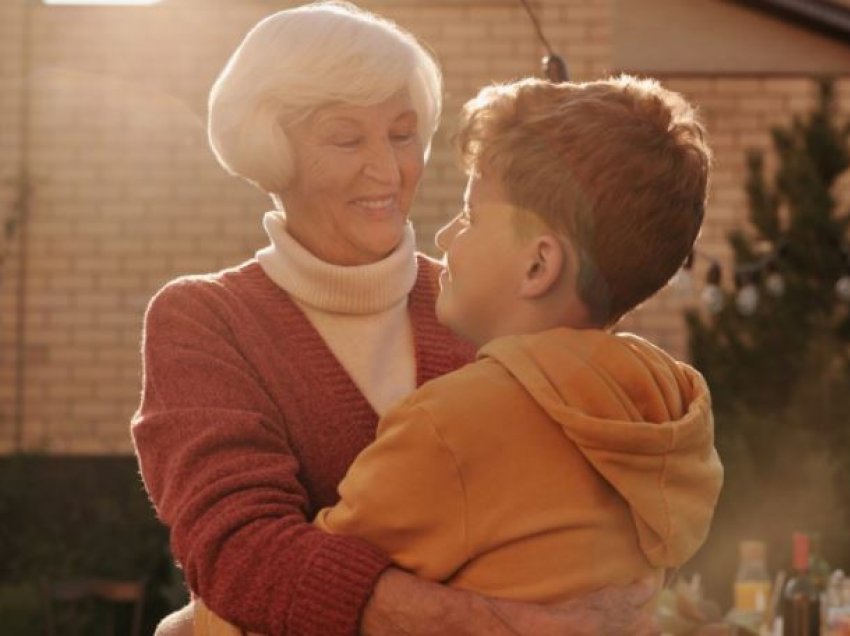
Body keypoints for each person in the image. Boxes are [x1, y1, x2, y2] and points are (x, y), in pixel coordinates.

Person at [131, 2, 658, 635]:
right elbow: (239, 549)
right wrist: (490, 625)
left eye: (404, 134)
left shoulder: (494, 302)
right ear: (273, 146)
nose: (387, 169)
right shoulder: (203, 322)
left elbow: (597, 491)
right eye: (347, 137)